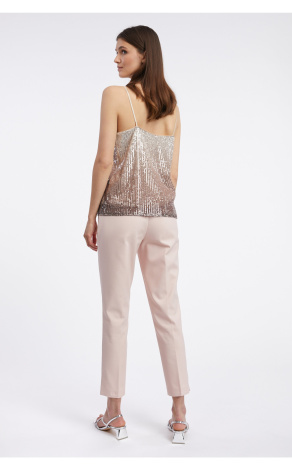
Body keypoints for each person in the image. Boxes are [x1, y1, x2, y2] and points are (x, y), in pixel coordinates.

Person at [84, 26, 191, 444]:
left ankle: (114, 413)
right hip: (164, 218)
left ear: (144, 54)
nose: (116, 59)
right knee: (168, 311)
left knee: (116, 311)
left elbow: (103, 161)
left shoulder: (115, 96)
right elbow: (173, 175)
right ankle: (179, 414)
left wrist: (91, 216)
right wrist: (155, 204)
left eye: (123, 51)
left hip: (120, 215)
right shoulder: (172, 105)